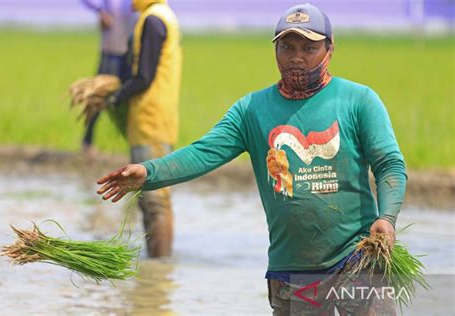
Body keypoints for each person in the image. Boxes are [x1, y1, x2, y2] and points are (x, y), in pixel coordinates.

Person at [97, 3, 406, 314]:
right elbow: (204, 152)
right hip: (294, 268)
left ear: (330, 48)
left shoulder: (358, 100)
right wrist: (149, 172)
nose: (296, 57)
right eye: (287, 46)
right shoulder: (252, 110)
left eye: (308, 47)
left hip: (357, 257)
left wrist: (387, 218)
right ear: (275, 49)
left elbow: (389, 164)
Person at [102, 0, 182, 258]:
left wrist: (115, 97)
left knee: (155, 201)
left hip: (151, 120)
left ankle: (159, 270)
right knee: (154, 199)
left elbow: (144, 76)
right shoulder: (160, 15)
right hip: (156, 118)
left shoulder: (153, 20)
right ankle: (159, 268)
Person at [80, 0, 137, 155]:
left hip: (132, 54)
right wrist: (100, 11)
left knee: (131, 98)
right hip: (111, 51)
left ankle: (135, 145)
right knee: (99, 95)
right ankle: (87, 140)